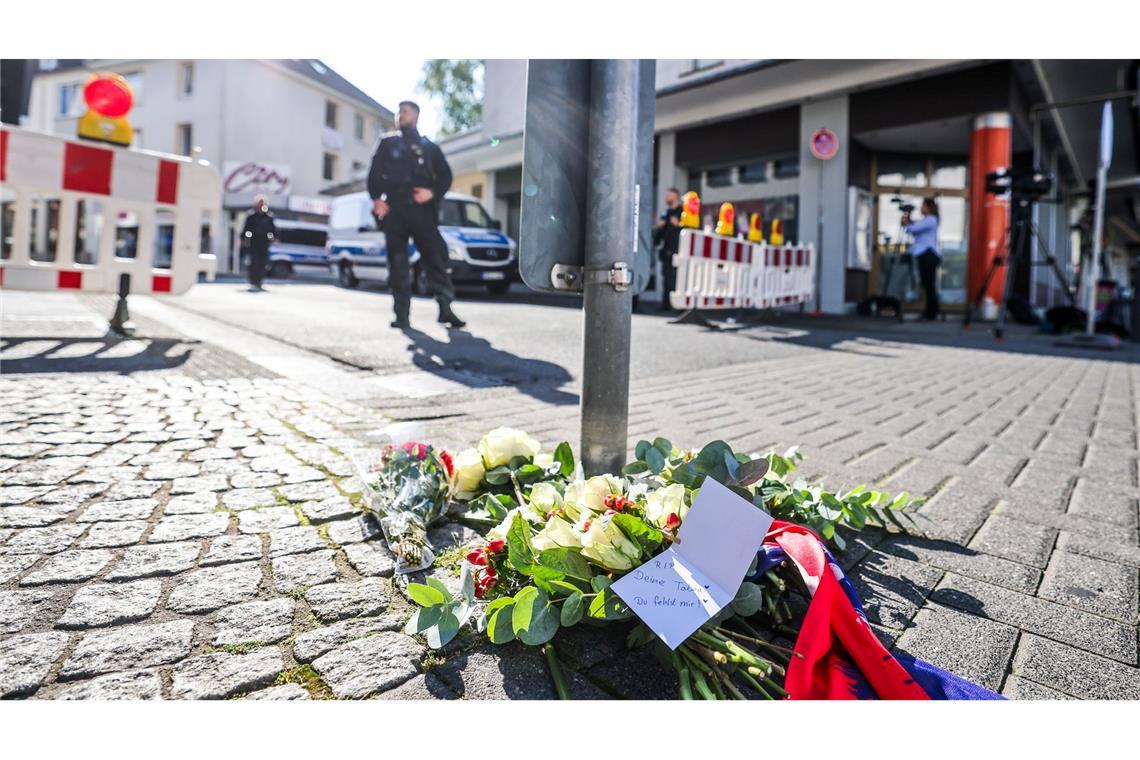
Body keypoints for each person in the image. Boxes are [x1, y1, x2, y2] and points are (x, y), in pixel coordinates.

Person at [367, 100, 464, 329]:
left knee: (436, 259)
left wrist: (432, 192)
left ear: (416, 116)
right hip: (395, 210)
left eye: (405, 112)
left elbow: (445, 177)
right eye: (398, 112)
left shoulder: (429, 147)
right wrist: (376, 200)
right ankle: (402, 315)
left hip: (422, 211)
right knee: (398, 264)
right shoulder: (387, 143)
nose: (400, 115)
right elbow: (374, 175)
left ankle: (445, 308)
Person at [902, 197, 941, 321]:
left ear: (929, 207)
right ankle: (930, 311)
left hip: (928, 254)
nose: (921, 208)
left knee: (929, 284)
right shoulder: (927, 220)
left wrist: (907, 222)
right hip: (925, 254)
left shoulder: (931, 220)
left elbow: (913, 229)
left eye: (923, 206)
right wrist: (908, 223)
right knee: (927, 284)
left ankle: (931, 312)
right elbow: (912, 230)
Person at [653, 187, 682, 311]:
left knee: (677, 278)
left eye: (669, 195)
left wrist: (679, 225)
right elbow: (659, 235)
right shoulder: (665, 213)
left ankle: (678, 305)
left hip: (678, 251)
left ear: (676, 196)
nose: (666, 197)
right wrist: (659, 228)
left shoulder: (682, 212)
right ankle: (666, 305)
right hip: (666, 251)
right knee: (666, 278)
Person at [241, 195, 276, 292]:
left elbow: (273, 230)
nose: (261, 205)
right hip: (254, 244)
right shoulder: (251, 216)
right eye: (259, 203)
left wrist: (273, 238)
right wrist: (244, 239)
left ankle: (260, 282)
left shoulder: (269, 216)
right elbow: (246, 229)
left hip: (264, 244)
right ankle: (253, 282)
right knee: (254, 264)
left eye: (263, 203)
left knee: (263, 264)